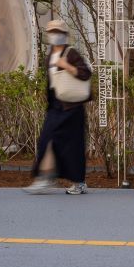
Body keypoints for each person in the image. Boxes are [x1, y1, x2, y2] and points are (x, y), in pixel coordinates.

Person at [28, 21, 92, 195]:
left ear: (64, 33)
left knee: (73, 146)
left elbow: (86, 73)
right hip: (56, 105)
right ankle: (45, 178)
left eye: (57, 31)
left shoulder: (71, 53)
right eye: (50, 31)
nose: (53, 34)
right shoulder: (49, 55)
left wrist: (68, 67)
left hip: (73, 106)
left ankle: (78, 182)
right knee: (46, 140)